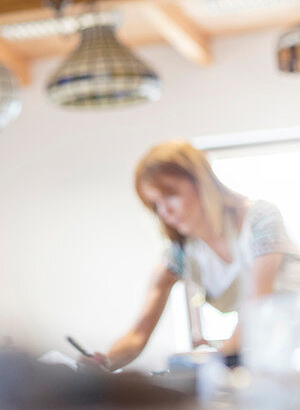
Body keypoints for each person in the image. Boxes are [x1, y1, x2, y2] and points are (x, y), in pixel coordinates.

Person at [86, 140, 300, 371]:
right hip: (271, 355)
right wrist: (104, 363)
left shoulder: (259, 219)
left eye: (170, 195)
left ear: (201, 183)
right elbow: (138, 334)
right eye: (154, 205)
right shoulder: (181, 253)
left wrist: (213, 367)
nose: (165, 212)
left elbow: (255, 306)